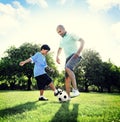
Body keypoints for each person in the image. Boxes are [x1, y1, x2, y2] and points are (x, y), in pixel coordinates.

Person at [56, 25, 85, 99]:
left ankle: (75, 90)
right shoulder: (62, 40)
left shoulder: (71, 35)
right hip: (67, 58)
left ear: (64, 29)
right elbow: (59, 49)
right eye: (57, 32)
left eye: (60, 31)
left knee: (68, 67)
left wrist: (78, 52)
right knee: (67, 78)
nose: (59, 33)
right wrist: (57, 56)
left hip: (75, 55)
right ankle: (68, 97)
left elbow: (82, 41)